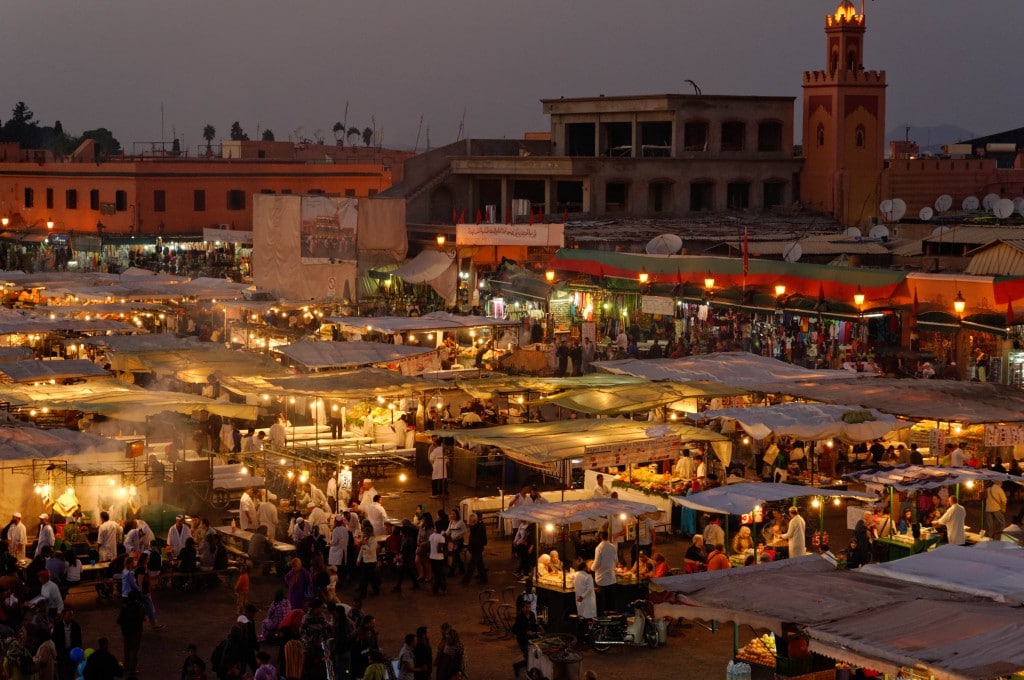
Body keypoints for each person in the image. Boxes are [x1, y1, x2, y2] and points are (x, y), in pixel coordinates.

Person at [511, 598, 540, 678]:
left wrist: (539, 627)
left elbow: (534, 626)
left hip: (531, 639)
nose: (528, 609)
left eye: (529, 607)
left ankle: (527, 670)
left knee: (529, 656)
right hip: (522, 640)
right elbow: (514, 630)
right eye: (526, 607)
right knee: (529, 659)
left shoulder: (532, 615)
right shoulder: (519, 618)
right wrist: (525, 632)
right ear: (522, 608)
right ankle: (517, 666)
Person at [592, 531, 618, 614]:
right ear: (608, 537)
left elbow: (597, 563)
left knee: (603, 601)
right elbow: (616, 560)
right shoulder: (613, 547)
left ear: (600, 537)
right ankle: (613, 615)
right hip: (611, 578)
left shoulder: (599, 548)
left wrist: (591, 568)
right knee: (611, 600)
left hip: (601, 579)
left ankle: (604, 616)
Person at [428, 522, 447, 595]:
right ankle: (436, 590)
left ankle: (441, 588)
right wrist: (446, 551)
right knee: (439, 575)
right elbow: (439, 550)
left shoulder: (432, 535)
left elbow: (429, 547)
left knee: (436, 574)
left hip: (432, 557)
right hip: (439, 558)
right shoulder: (441, 538)